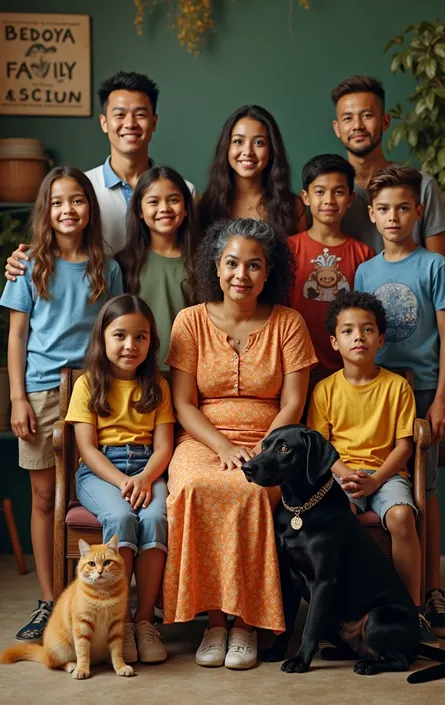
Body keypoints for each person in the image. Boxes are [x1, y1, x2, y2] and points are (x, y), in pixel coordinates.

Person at [164, 218, 317, 669]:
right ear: (216, 265)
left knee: (250, 493)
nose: (241, 275)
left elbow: (293, 403)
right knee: (196, 488)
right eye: (232, 263)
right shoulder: (189, 321)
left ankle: (246, 623)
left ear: (269, 274)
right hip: (201, 439)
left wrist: (265, 449)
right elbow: (184, 404)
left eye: (254, 266)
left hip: (271, 443)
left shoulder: (287, 324)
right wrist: (223, 449)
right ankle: (214, 623)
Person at [0, 167, 123, 643]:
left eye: (77, 201)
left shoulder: (106, 267)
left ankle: (94, 599)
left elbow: (112, 332)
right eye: (57, 202)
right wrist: (17, 397)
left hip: (95, 393)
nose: (67, 210)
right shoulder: (30, 264)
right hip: (41, 393)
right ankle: (49, 601)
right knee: (45, 497)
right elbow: (17, 336)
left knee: (91, 492)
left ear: (89, 208)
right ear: (45, 212)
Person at [354, 165, 445, 640]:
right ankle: (380, 599)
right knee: (384, 483)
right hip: (375, 389)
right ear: (372, 216)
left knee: (425, 488)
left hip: (419, 390)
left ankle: (431, 593)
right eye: (383, 209)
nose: (393, 216)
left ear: (418, 211)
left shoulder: (432, 265)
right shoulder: (365, 270)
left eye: (403, 207)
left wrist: (441, 398)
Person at [307, 290, 436, 646]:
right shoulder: (325, 390)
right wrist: (346, 474)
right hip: (342, 476)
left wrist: (376, 479)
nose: (358, 337)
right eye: (348, 331)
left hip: (387, 475)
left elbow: (404, 446)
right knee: (335, 521)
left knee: (400, 517)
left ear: (380, 338)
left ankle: (412, 611)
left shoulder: (396, 386)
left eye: (367, 330)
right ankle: (345, 612)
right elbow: (322, 446)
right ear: (334, 341)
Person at [65, 294, 175, 664]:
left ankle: (144, 621)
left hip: (148, 467)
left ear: (151, 341)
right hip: (100, 471)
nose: (130, 345)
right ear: (103, 337)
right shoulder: (87, 384)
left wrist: (144, 478)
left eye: (141, 337)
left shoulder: (157, 385)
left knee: (157, 517)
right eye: (120, 335)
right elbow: (87, 448)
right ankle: (120, 620)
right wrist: (122, 481)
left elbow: (164, 446)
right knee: (122, 518)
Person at [5, 71, 197, 275]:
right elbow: (51, 248)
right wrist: (22, 262)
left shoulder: (184, 192)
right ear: (104, 122)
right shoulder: (80, 191)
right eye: (120, 115)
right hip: (97, 300)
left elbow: (193, 254)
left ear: (154, 122)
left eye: (140, 114)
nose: (130, 124)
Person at [331, 75, 445, 258]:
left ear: (385, 122)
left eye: (367, 115)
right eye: (347, 118)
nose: (357, 125)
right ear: (337, 128)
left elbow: (440, 271)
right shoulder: (327, 195)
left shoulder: (422, 185)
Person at [289, 154, 374, 382]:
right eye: (319, 191)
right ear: (305, 197)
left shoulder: (363, 254)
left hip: (347, 375)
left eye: (338, 192)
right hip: (296, 370)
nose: (329, 200)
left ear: (350, 198)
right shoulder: (289, 249)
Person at [116, 166, 198, 369]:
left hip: (191, 374)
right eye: (154, 201)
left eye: (173, 200)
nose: (164, 208)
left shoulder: (203, 262)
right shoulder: (124, 263)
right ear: (140, 211)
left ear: (186, 207)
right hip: (140, 374)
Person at [199, 105, 307, 236]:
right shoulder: (204, 204)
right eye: (238, 141)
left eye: (259, 143)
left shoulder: (293, 206)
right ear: (226, 148)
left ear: (271, 151)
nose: (248, 152)